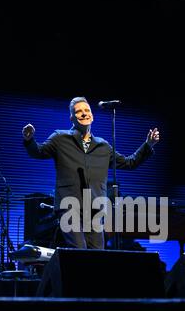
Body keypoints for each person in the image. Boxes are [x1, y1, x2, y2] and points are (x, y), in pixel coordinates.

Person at [22, 96, 160, 249]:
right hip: (69, 206)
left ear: (92, 116)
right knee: (80, 250)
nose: (84, 114)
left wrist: (148, 145)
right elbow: (39, 152)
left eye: (87, 110)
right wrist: (29, 140)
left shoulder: (103, 146)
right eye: (78, 111)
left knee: (97, 255)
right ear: (71, 118)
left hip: (94, 207)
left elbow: (129, 163)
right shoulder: (60, 138)